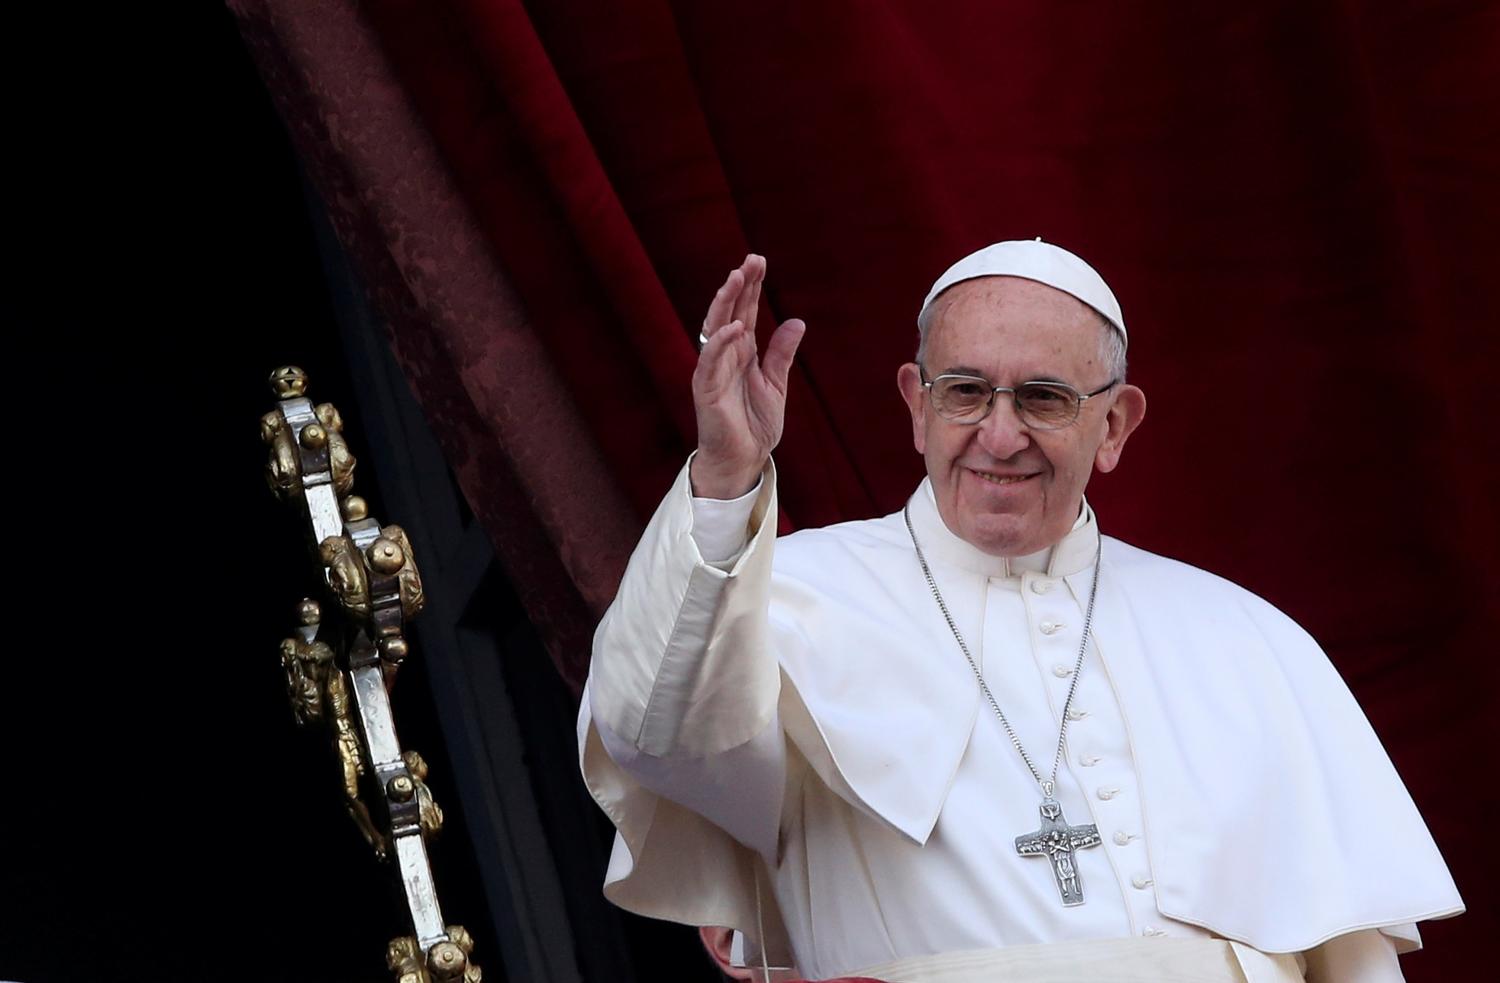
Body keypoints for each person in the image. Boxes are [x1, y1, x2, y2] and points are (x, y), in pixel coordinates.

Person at [577, 241, 1462, 982]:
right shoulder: (783, 597)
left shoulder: (1249, 641)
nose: (1000, 437)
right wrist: (725, 481)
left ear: (1114, 426)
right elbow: (655, 733)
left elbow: (1351, 960)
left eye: (1045, 398)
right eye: (964, 391)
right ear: (915, 405)